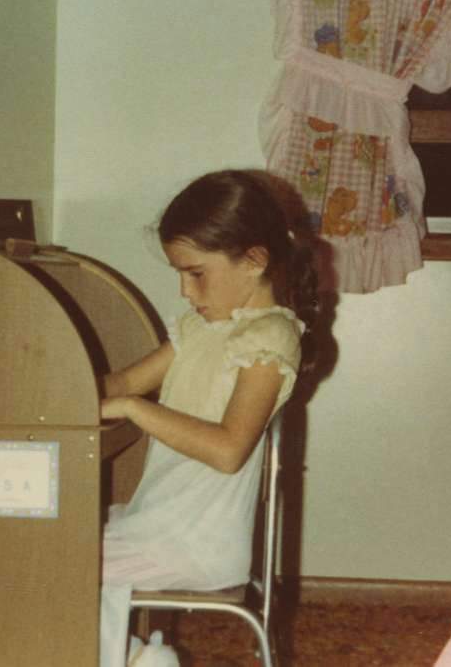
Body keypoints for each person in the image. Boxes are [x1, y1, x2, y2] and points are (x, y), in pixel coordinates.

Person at [99, 169, 320, 666]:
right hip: (160, 525)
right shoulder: (201, 329)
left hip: (194, 542)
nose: (184, 290)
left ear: (253, 261)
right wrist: (60, 392)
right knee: (55, 537)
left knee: (49, 562)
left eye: (195, 273)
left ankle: (131, 659)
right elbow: (124, 383)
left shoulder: (270, 337)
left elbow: (227, 450)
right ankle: (136, 658)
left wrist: (136, 410)